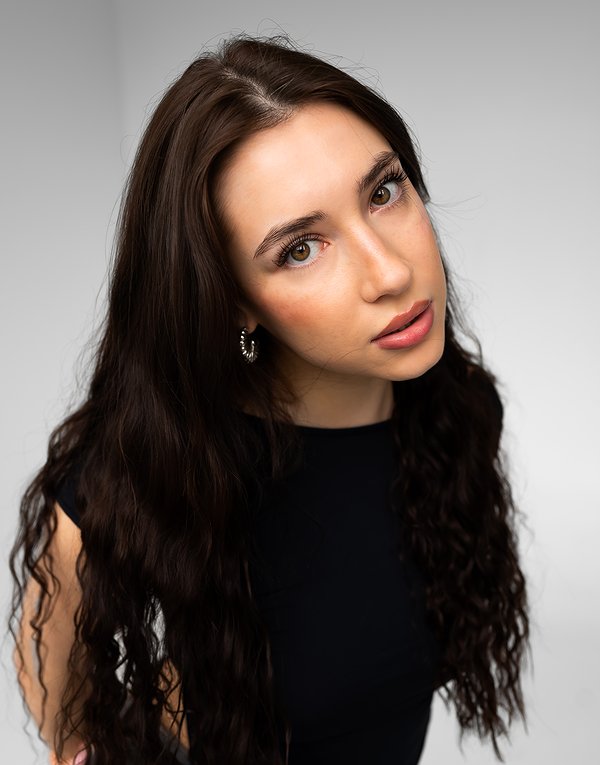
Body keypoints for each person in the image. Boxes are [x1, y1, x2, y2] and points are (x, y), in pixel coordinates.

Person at [9, 34, 530, 765]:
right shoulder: (159, 468)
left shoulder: (459, 413)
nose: (390, 272)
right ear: (236, 303)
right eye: (300, 248)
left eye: (383, 192)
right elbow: (55, 666)